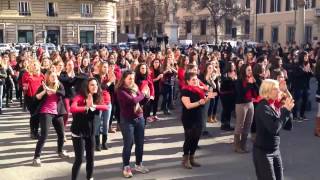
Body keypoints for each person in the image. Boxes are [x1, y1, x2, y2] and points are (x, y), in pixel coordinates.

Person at [253, 79, 294, 180]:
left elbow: (288, 126)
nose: (279, 91)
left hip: (275, 150)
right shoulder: (263, 107)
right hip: (263, 152)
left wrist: (288, 110)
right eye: (276, 89)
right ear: (267, 91)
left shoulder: (275, 105)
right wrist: (285, 111)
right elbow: (274, 128)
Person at [70, 78, 108, 180]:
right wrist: (86, 107)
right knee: (79, 159)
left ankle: (90, 177)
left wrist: (93, 105)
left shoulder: (98, 97)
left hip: (91, 133)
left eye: (96, 84)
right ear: (87, 87)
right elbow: (72, 108)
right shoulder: (80, 96)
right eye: (91, 85)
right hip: (79, 133)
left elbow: (106, 107)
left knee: (91, 158)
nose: (94, 86)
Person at [116, 70, 149, 178]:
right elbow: (133, 101)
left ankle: (138, 164)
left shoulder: (135, 87)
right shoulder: (121, 90)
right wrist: (143, 94)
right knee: (128, 144)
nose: (131, 80)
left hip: (139, 118)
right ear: (124, 79)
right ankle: (126, 167)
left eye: (133, 78)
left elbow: (141, 101)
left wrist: (146, 96)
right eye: (129, 78)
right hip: (127, 120)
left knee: (140, 143)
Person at [32, 70, 69, 167]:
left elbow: (63, 94)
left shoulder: (59, 85)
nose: (54, 77)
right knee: (44, 135)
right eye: (52, 76)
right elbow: (36, 98)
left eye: (55, 76)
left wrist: (52, 90)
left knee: (61, 134)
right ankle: (36, 158)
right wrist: (44, 91)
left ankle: (60, 151)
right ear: (48, 77)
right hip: (45, 112)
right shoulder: (42, 86)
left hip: (57, 112)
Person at [180, 72, 217, 169]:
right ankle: (185, 159)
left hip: (199, 117)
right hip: (189, 118)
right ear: (188, 81)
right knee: (189, 138)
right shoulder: (185, 90)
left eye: (196, 79)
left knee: (196, 138)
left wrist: (209, 96)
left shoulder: (199, 89)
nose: (195, 81)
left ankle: (192, 157)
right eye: (193, 80)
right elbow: (188, 105)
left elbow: (204, 101)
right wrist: (199, 102)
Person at [234, 64, 258, 153]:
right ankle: (237, 146)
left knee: (248, 125)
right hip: (241, 104)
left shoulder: (251, 79)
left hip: (250, 103)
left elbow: (257, 92)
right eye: (248, 70)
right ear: (244, 71)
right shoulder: (239, 81)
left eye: (250, 70)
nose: (250, 72)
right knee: (240, 125)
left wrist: (254, 83)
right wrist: (249, 84)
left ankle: (243, 145)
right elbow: (241, 93)